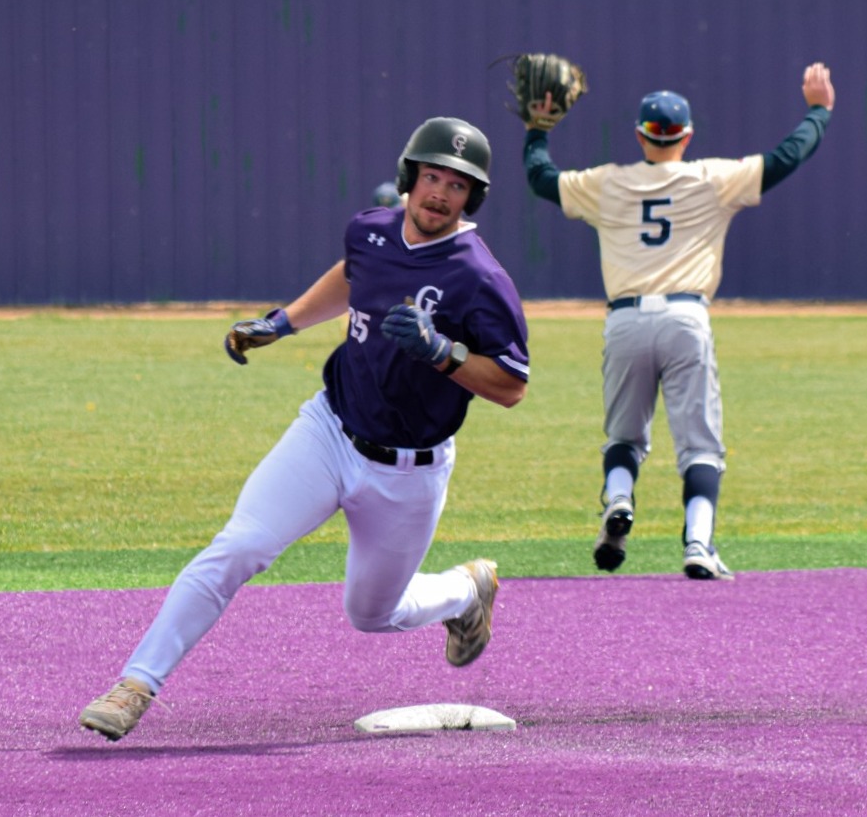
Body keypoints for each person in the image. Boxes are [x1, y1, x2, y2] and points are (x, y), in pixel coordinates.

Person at [80, 116, 531, 741]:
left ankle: (464, 591)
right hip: (329, 430)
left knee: (372, 613)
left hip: (409, 469)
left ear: (471, 198)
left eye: (456, 185)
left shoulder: (480, 278)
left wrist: (442, 354)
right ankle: (135, 685)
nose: (439, 194)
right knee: (239, 546)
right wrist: (282, 322)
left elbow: (511, 386)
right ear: (409, 176)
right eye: (431, 176)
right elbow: (352, 277)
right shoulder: (370, 231)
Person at [516, 63, 835, 581]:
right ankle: (697, 544)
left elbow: (540, 179)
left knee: (624, 435)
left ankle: (619, 499)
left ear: (640, 134)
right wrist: (818, 111)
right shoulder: (713, 179)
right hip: (686, 316)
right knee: (700, 445)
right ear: (686, 135)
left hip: (625, 318)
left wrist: (538, 130)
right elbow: (787, 157)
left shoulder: (608, 183)